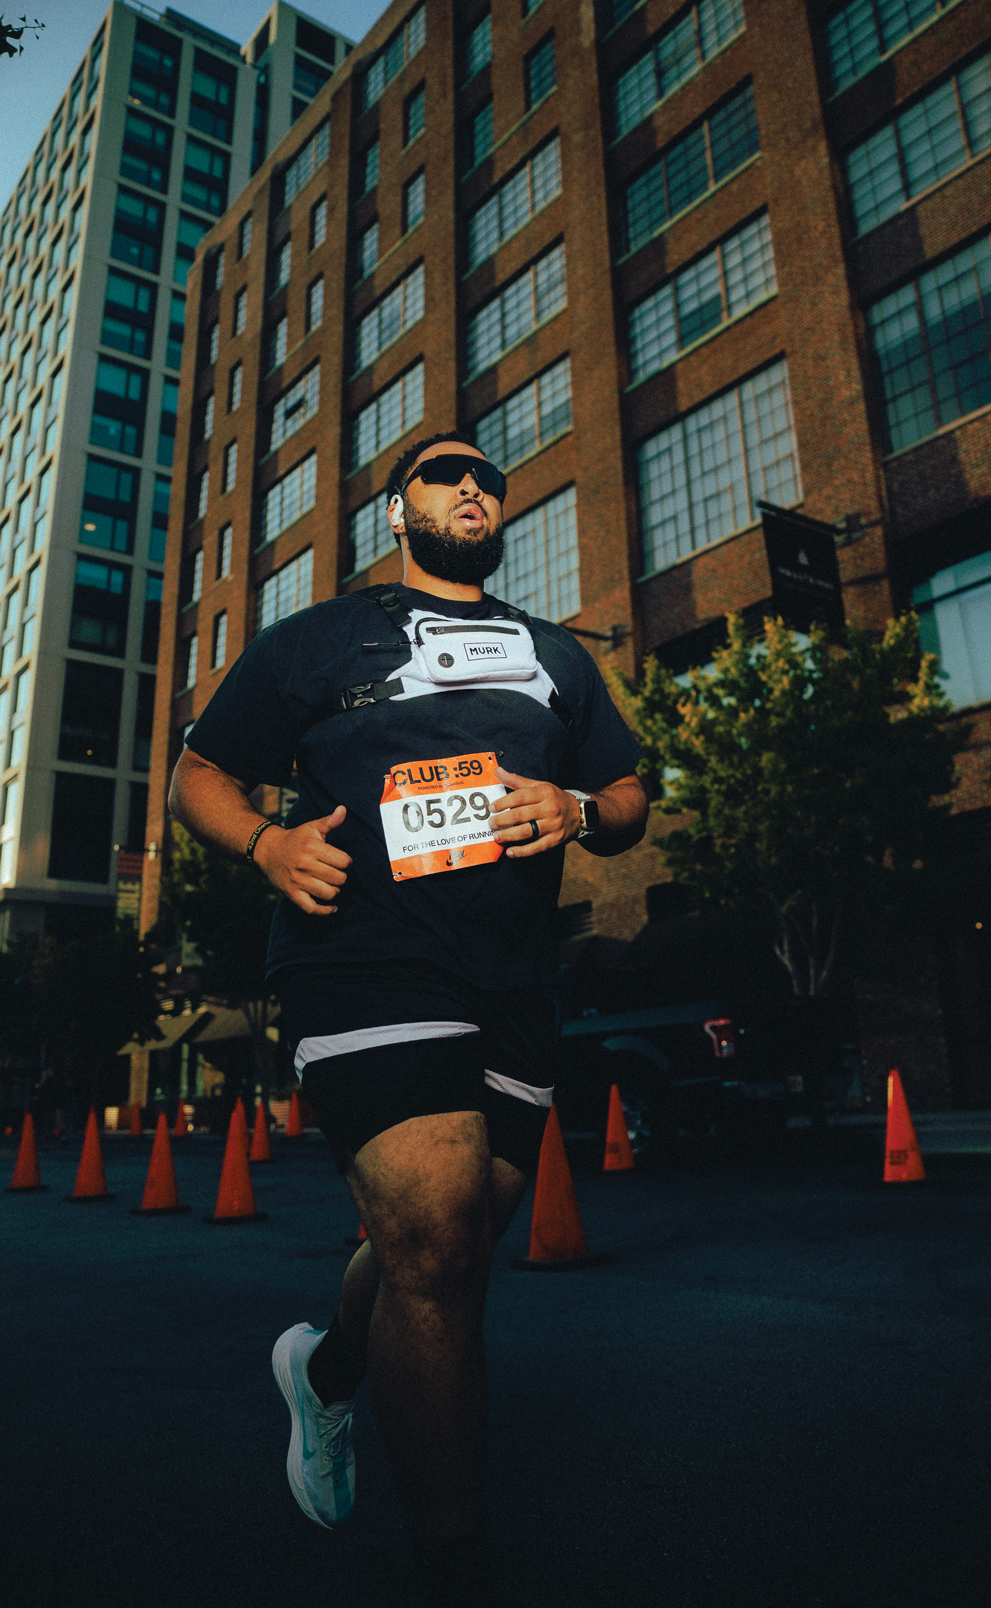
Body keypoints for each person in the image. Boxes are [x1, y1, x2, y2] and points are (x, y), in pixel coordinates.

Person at [168, 434, 648, 1605]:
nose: (471, 486)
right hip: (363, 958)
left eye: (486, 476)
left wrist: (579, 806)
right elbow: (199, 774)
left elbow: (630, 797)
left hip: (511, 978)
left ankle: (329, 1367)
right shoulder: (321, 639)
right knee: (432, 1235)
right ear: (397, 511)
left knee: (460, 1227)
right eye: (443, 474)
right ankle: (454, 1563)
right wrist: (268, 844)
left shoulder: (554, 657)